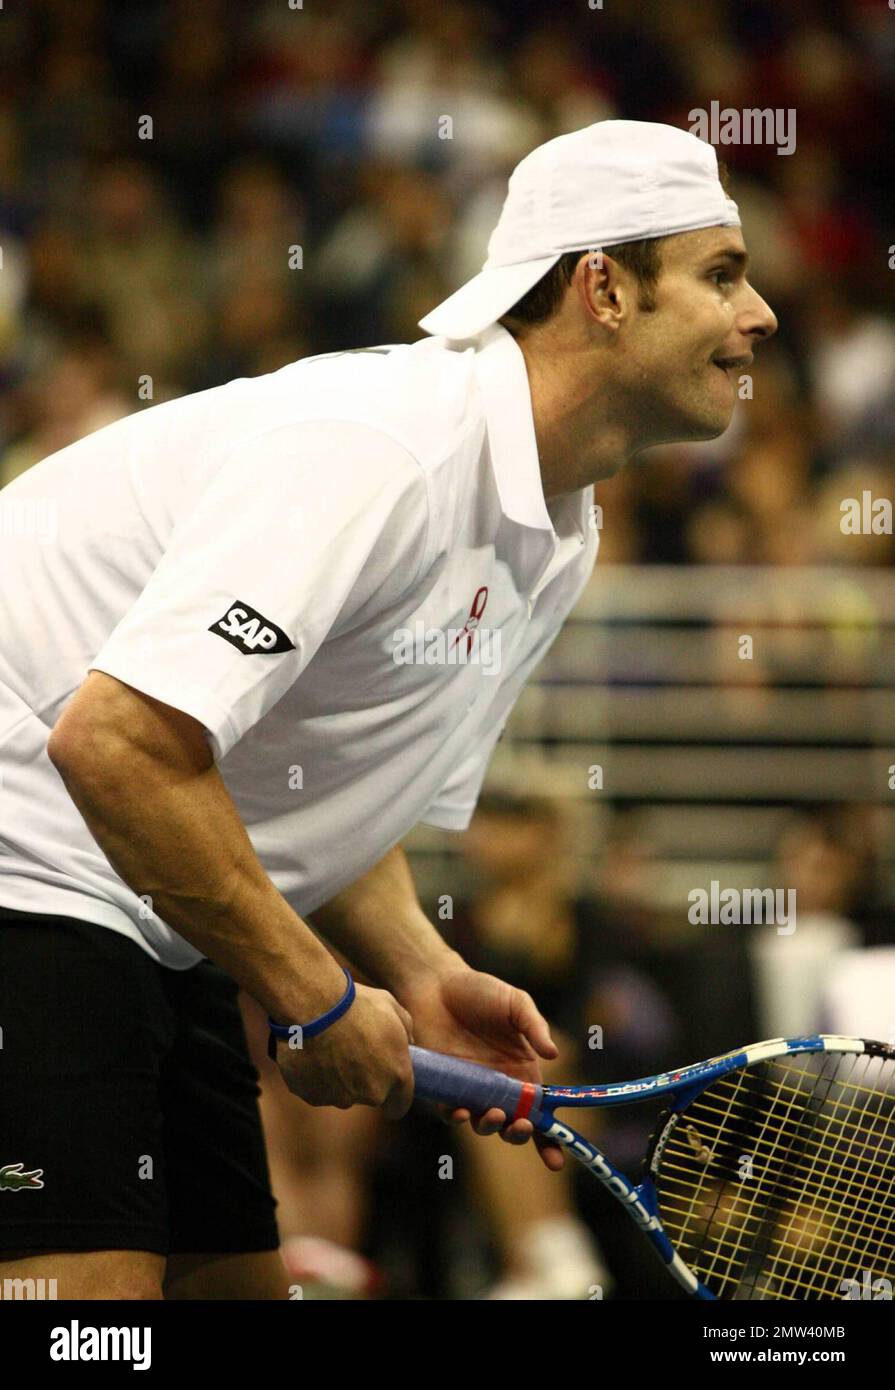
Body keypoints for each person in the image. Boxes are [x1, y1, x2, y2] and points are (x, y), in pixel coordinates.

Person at [0, 119, 776, 1300]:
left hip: (136, 886)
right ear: (603, 288)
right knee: (87, 1318)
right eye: (721, 273)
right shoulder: (379, 454)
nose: (759, 312)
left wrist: (414, 967)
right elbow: (112, 740)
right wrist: (314, 998)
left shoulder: (561, 531)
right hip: (34, 861)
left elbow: (304, 775)